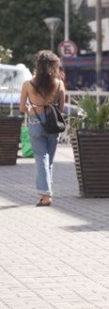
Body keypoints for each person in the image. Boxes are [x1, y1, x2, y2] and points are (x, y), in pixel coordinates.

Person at [19, 50, 65, 207]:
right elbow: (62, 108)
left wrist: (34, 110)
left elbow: (22, 107)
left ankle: (45, 195)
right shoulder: (59, 84)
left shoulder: (28, 84)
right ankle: (46, 192)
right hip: (53, 124)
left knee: (41, 159)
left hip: (35, 122)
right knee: (48, 161)